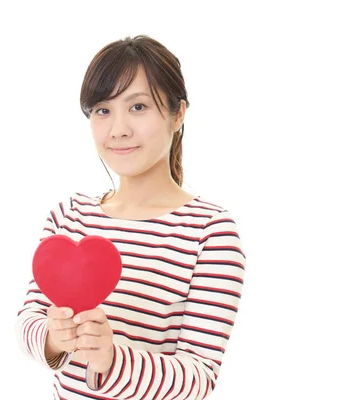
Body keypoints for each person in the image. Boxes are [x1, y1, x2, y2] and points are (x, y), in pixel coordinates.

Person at [14, 34, 246, 399]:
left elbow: (199, 378)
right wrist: (51, 338)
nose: (118, 129)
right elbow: (28, 320)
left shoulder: (210, 232)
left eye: (138, 107)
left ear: (178, 113)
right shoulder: (68, 216)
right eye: (102, 110)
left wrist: (113, 359)